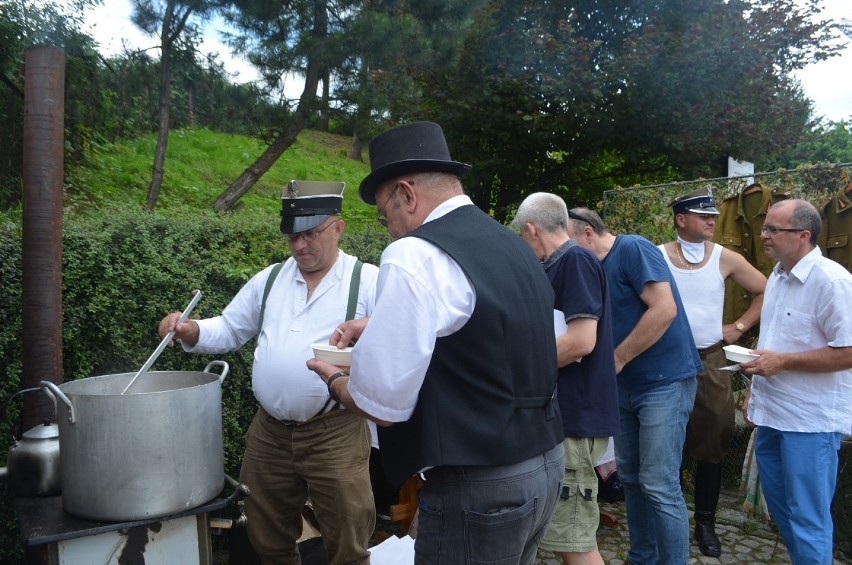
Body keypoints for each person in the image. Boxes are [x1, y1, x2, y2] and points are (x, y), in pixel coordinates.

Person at [307, 121, 565, 565]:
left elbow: (384, 404)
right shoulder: (514, 245)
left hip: (479, 484)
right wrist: (377, 325)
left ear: (406, 194)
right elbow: (484, 327)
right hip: (545, 466)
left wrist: (336, 381)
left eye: (384, 214)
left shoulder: (414, 253)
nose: (388, 228)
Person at [157, 180, 379, 565]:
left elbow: (402, 339)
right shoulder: (272, 278)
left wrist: (370, 331)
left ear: (338, 228)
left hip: (335, 431)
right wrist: (191, 329)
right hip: (270, 433)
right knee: (266, 536)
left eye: (310, 233)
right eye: (292, 236)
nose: (298, 246)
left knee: (347, 540)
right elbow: (229, 328)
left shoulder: (369, 281)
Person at [566, 207, 702, 565]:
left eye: (568, 242)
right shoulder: (588, 268)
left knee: (659, 483)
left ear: (587, 234)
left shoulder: (634, 249)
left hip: (664, 383)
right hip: (622, 387)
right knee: (632, 480)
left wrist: (618, 358)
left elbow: (664, 309)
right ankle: (641, 557)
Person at [740, 199, 852, 565]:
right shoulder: (776, 275)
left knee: (808, 518)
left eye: (774, 229)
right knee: (785, 512)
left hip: (811, 423)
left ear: (803, 235)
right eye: (765, 227)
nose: (764, 235)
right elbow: (774, 342)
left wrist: (783, 362)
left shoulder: (832, 281)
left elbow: (849, 351)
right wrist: (755, 391)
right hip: (773, 414)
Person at [658, 187, 767, 557]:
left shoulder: (725, 258)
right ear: (681, 219)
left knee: (715, 438)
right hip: (664, 360)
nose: (711, 221)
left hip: (709, 360)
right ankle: (664, 520)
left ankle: (705, 523)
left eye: (713, 216)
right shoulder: (657, 257)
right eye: (703, 216)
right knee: (663, 441)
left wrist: (738, 326)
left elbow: (765, 290)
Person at [513, 192, 620, 565]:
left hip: (576, 420)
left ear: (531, 230)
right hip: (562, 418)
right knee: (562, 534)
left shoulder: (575, 260)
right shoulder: (557, 265)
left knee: (573, 538)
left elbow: (581, 341)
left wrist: (513, 368)